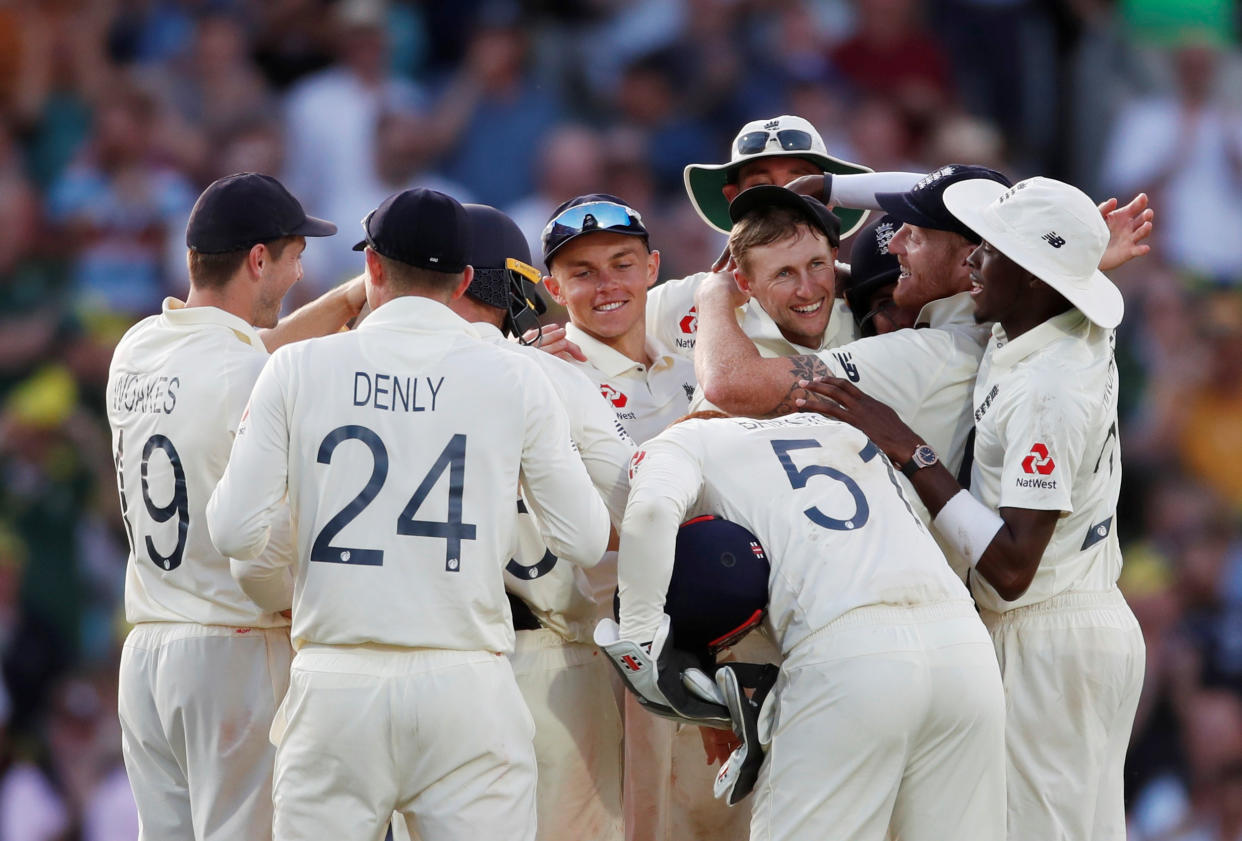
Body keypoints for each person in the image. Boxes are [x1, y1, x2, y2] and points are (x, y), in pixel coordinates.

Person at [205, 187, 610, 841]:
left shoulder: (298, 365)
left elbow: (233, 532)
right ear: (465, 281)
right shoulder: (516, 376)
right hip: (468, 679)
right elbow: (587, 538)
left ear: (371, 270)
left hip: (337, 677)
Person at [800, 176, 1145, 841]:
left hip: (1042, 630)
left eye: (992, 251)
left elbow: (1013, 566)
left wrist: (905, 445)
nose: (974, 263)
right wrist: (835, 183)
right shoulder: (1043, 323)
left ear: (1037, 280)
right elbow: (954, 184)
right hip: (1081, 620)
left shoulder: (1047, 389)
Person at [692, 169, 1152, 567]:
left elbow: (729, 383)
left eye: (913, 235)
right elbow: (959, 194)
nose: (897, 243)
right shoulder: (1037, 313)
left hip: (1023, 617)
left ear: (971, 253)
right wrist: (832, 187)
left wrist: (712, 293)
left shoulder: (930, 352)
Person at [106, 171, 364, 841]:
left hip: (149, 651)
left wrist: (343, 303)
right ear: (258, 259)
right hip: (235, 647)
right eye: (294, 255)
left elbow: (244, 358)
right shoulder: (250, 374)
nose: (300, 271)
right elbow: (260, 370)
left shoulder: (136, 349)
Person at [610, 410, 1006, 841]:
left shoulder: (684, 438)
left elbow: (649, 512)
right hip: (965, 648)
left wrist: (641, 645)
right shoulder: (840, 427)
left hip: (845, 653)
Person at [442, 203, 633, 841]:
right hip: (553, 665)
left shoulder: (378, 381)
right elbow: (631, 513)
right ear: (518, 292)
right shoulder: (556, 375)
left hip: (435, 659)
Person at [540, 193, 697, 446]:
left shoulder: (694, 369)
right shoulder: (546, 380)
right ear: (555, 289)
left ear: (651, 268)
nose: (607, 284)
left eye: (622, 265)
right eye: (583, 273)